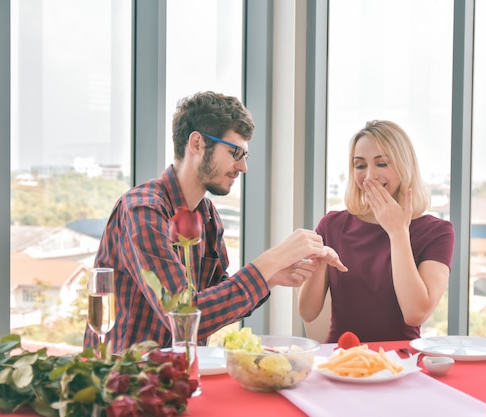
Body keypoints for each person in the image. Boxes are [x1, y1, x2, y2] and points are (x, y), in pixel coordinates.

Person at [83, 91, 346, 352]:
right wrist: (272, 259)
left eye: (245, 155)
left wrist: (270, 278)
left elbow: (212, 307)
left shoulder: (207, 215)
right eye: (235, 152)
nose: (243, 167)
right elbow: (183, 319)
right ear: (196, 143)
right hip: (127, 380)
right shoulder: (142, 210)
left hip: (180, 375)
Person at [297, 120, 454, 343]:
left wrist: (398, 232)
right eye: (360, 165)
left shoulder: (437, 232)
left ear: (404, 166)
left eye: (382, 164)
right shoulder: (332, 225)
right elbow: (307, 312)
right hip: (342, 360)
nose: (369, 176)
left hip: (400, 361)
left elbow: (415, 313)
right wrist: (319, 262)